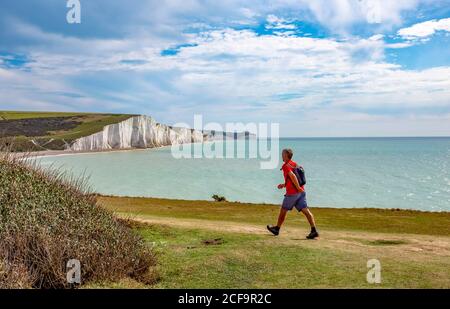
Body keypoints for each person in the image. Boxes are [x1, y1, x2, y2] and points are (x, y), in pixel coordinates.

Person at [267, 148, 319, 239]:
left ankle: (277, 229)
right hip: (301, 192)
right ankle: (314, 230)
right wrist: (284, 185)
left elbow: (292, 175)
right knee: (306, 211)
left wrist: (297, 187)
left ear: (287, 155)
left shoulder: (286, 165)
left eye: (283, 154)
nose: (281, 156)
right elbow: (292, 178)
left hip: (293, 193)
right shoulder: (295, 164)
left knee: (283, 210)